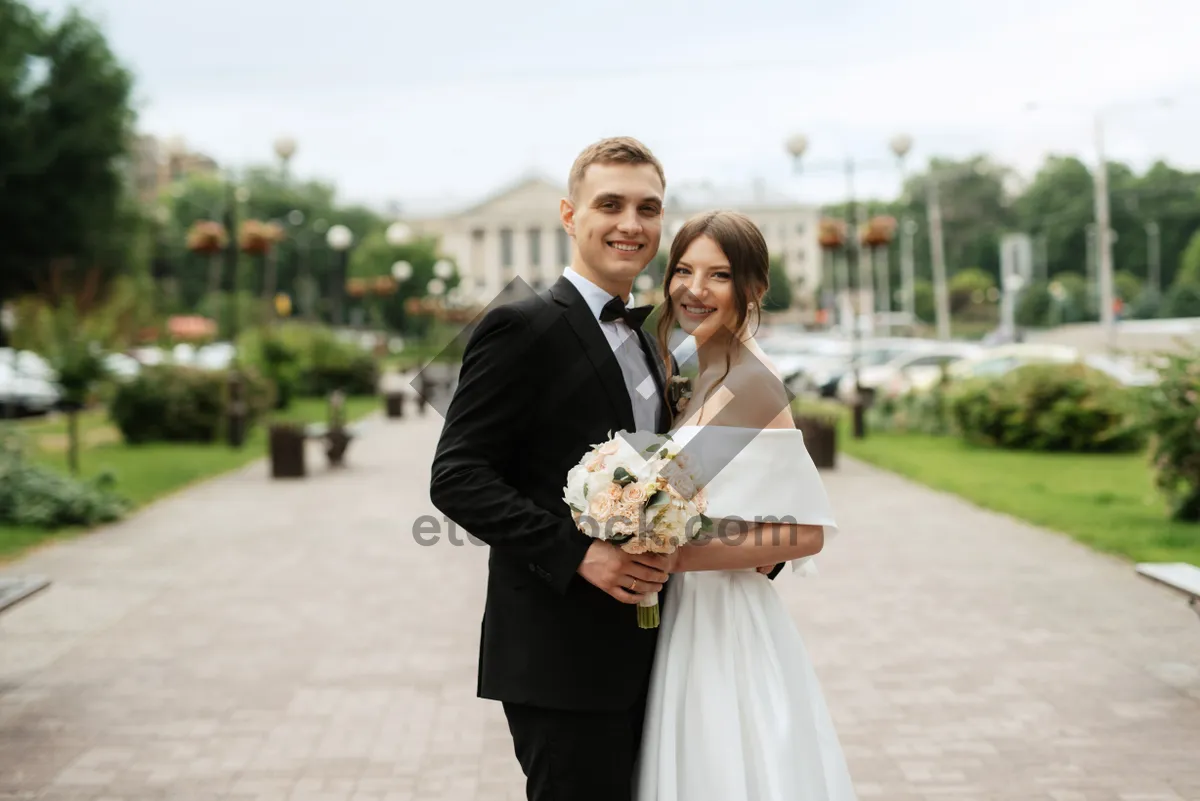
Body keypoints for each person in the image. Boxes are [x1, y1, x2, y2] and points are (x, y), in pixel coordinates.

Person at [429, 136, 681, 801]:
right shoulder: (520, 325)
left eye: (648, 208)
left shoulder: (652, 339)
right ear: (570, 216)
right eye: (611, 204)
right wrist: (580, 555)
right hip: (559, 653)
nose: (631, 223)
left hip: (650, 648)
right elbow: (457, 474)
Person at [634, 210, 857, 800]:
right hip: (687, 613)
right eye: (683, 271)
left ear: (753, 288)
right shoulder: (701, 371)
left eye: (719, 275)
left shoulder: (751, 382)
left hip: (724, 621)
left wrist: (670, 555)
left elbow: (803, 534)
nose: (695, 290)